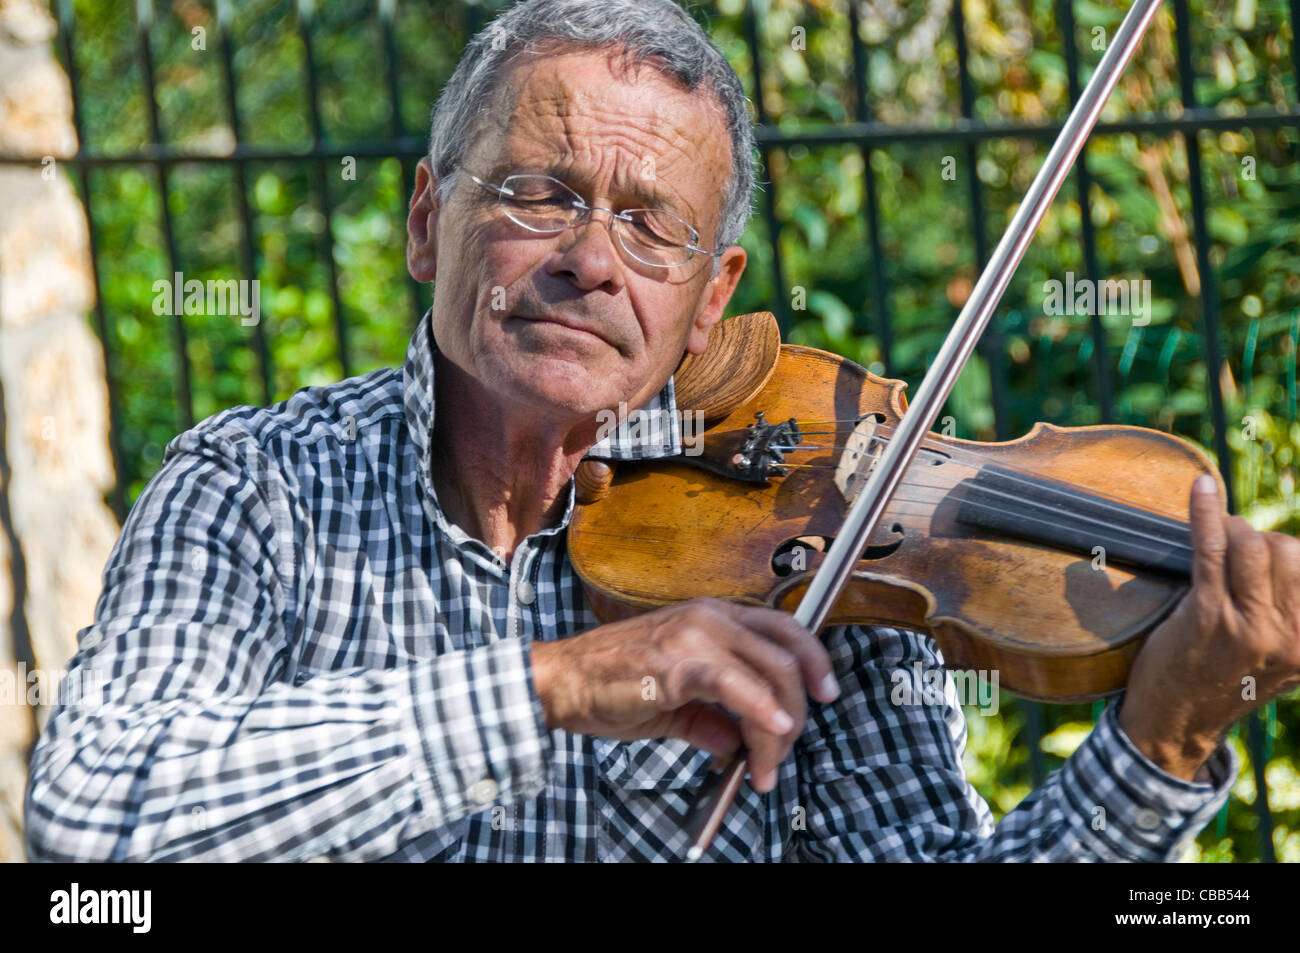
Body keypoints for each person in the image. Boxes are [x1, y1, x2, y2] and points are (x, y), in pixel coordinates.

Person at [25, 0, 1298, 862]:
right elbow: (93, 824)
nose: (591, 260)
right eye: (539, 193)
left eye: (653, 229)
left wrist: (1161, 740)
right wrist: (558, 686)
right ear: (424, 222)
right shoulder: (256, 489)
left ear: (710, 303)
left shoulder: (828, 556)